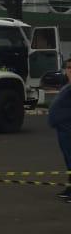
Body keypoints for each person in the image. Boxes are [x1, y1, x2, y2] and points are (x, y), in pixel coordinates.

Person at [48, 58, 71, 200]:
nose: (69, 70)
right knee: (69, 161)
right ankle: (70, 188)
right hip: (62, 130)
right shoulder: (67, 85)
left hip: (69, 130)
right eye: (68, 67)